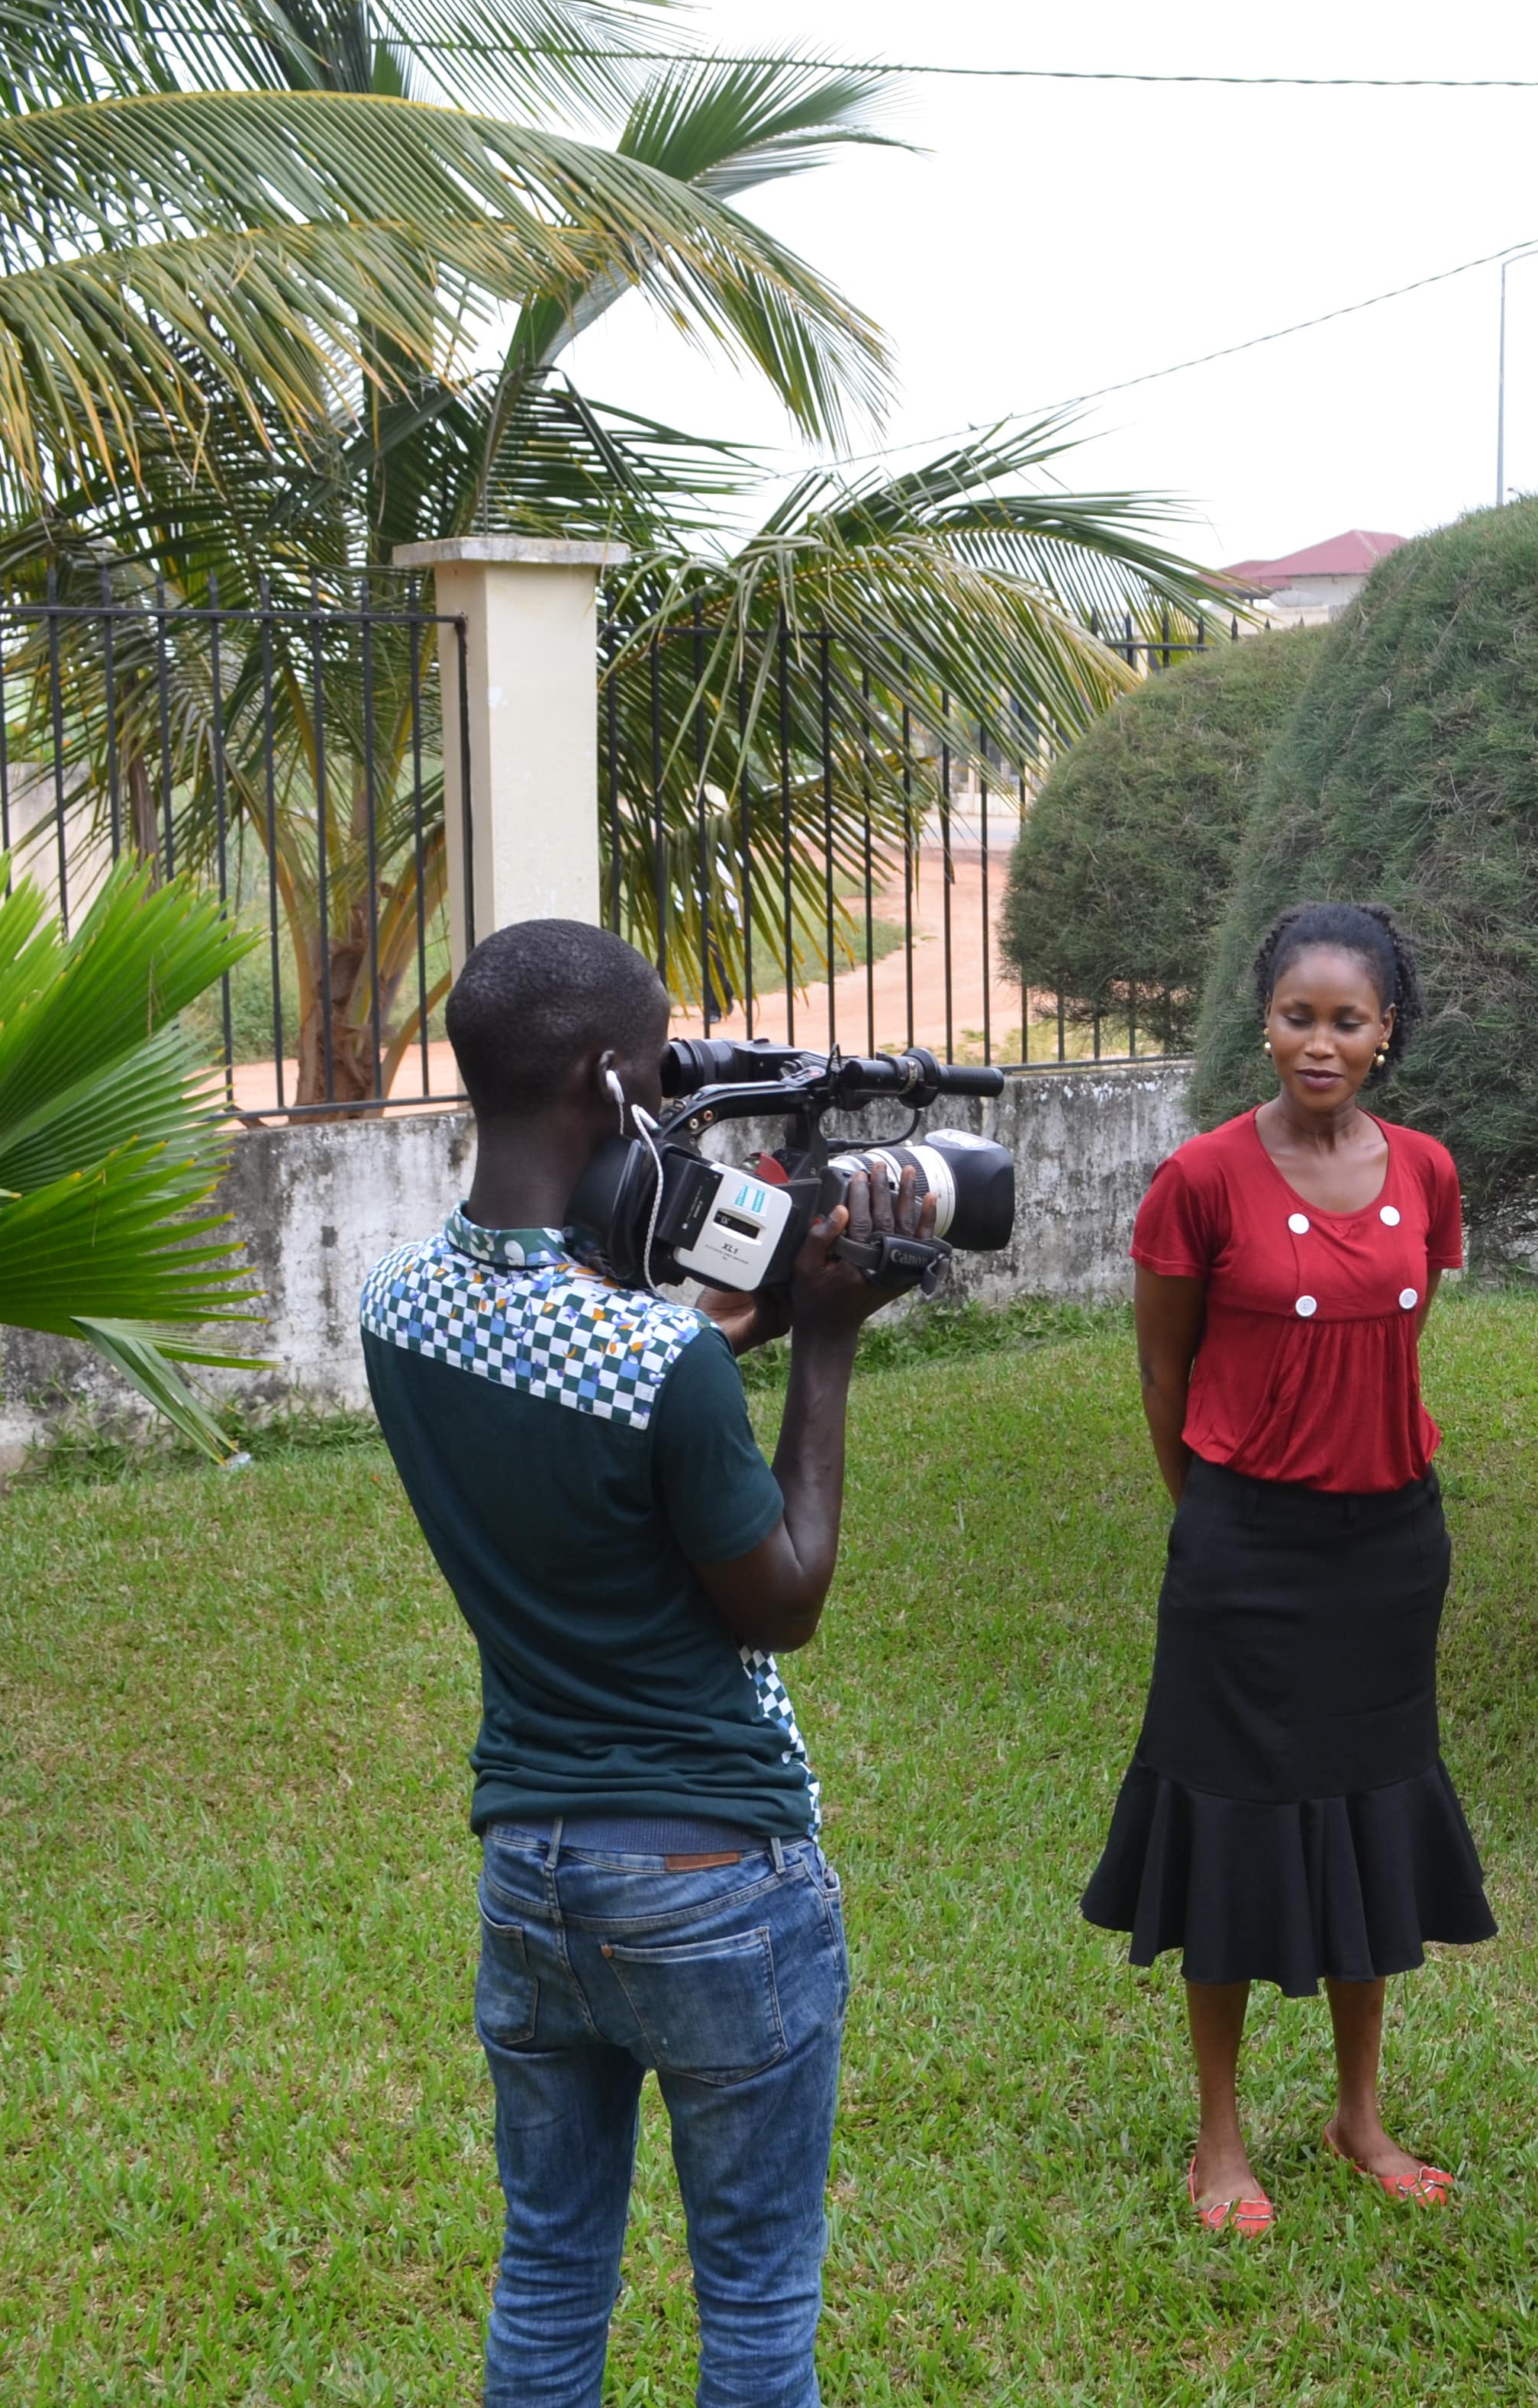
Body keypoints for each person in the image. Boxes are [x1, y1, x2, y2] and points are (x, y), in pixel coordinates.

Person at [359, 918, 921, 2408]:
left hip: (530, 1871)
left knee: (549, 2269)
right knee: (752, 2295)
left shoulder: (397, 1313)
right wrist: (824, 1347)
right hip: (711, 1883)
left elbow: (570, 1436)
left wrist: (704, 1356)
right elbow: (780, 1600)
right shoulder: (650, 1363)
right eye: (661, 1068)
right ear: (608, 1084)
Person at [1082, 901, 1494, 2234]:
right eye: (1298, 1016)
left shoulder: (1427, 1171)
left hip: (1387, 1551)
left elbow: (1413, 1320)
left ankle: (1359, 2116)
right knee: (1231, 1823)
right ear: (1265, 1022)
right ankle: (1220, 2141)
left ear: (1387, 1033)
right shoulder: (1200, 1178)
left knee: (1371, 1812)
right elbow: (1162, 1365)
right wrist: (1209, 1514)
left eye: (1349, 1020)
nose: (1321, 1042)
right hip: (1243, 1548)